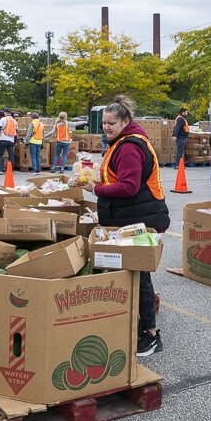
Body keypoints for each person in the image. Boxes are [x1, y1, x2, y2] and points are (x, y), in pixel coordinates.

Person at [82, 95, 169, 357]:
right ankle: (135, 323)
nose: (106, 127)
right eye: (104, 123)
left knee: (139, 273)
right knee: (134, 273)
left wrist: (95, 188)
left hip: (140, 219)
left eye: (112, 123)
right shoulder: (122, 142)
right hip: (133, 216)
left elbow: (129, 187)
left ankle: (150, 335)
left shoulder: (129, 146)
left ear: (126, 122)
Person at [0, 107, 18, 175]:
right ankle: (11, 170)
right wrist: (15, 142)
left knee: (0, 154)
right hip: (11, 140)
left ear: (5, 112)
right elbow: (16, 132)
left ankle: (0, 170)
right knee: (11, 155)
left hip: (3, 139)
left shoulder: (3, 119)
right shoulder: (15, 121)